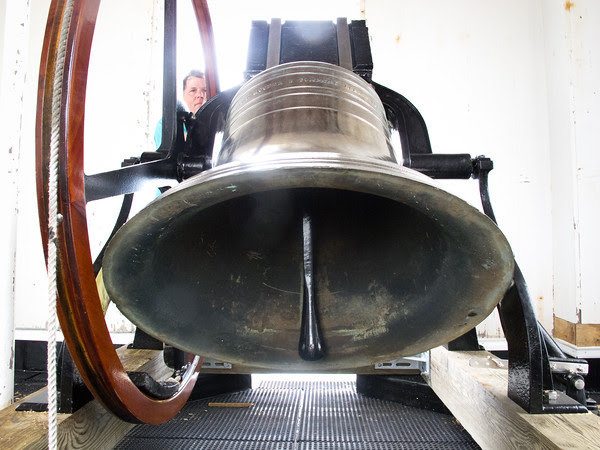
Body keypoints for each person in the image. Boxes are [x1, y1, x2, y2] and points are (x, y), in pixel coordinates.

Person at [154, 70, 208, 148]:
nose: (200, 95)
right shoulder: (166, 124)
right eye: (193, 90)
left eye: (205, 90)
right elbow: (167, 152)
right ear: (184, 95)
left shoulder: (217, 123)